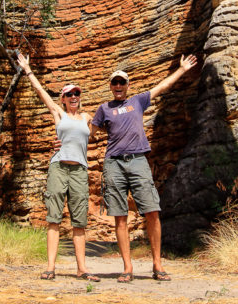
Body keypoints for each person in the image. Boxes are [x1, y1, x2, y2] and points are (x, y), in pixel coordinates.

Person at [91, 54, 198, 283]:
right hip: (114, 163)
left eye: (122, 82)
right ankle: (127, 267)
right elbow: (91, 131)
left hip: (138, 161)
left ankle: (157, 264)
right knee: (120, 216)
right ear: (110, 86)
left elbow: (162, 87)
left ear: (128, 86)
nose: (118, 86)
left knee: (152, 211)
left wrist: (181, 70)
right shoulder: (104, 109)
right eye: (115, 83)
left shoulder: (137, 101)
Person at [17, 52, 100, 282]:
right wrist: (27, 69)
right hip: (59, 168)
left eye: (77, 93)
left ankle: (82, 269)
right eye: (69, 94)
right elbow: (41, 93)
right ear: (63, 99)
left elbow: (104, 128)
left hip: (79, 171)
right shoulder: (59, 114)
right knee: (53, 217)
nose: (74, 96)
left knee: (79, 221)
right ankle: (51, 267)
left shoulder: (87, 118)